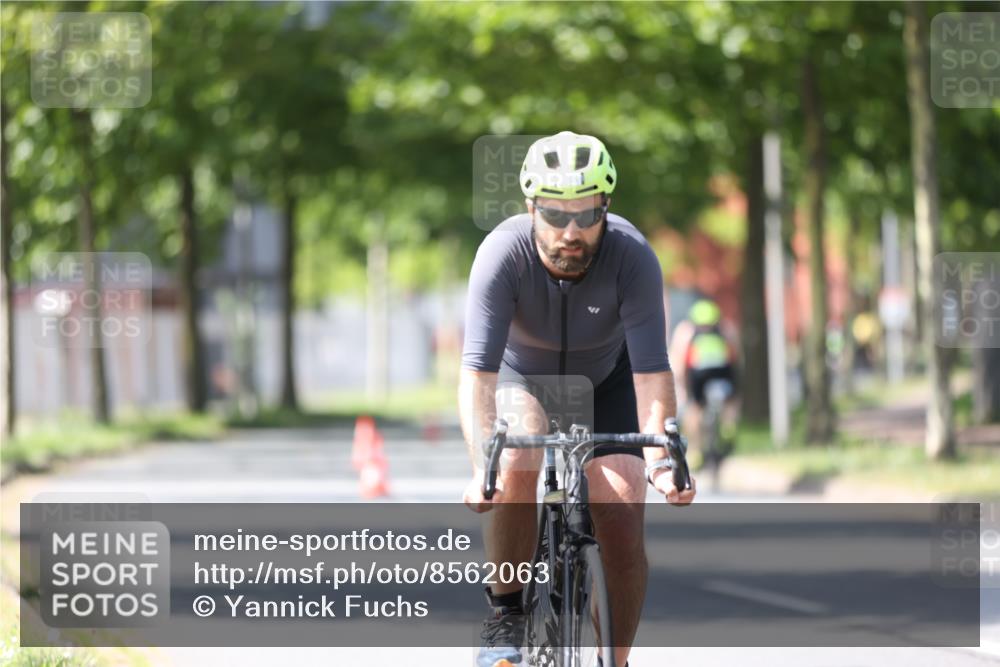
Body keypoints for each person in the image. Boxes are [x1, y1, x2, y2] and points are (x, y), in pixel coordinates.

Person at [460, 131, 696, 667]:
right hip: (525, 380)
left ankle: (615, 658)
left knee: (623, 494)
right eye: (555, 214)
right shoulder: (502, 253)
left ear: (605, 209)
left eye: (587, 215)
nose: (571, 231)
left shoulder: (632, 257)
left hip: (606, 383)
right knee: (516, 456)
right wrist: (482, 467)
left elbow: (652, 373)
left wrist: (661, 463)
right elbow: (477, 375)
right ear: (531, 208)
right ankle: (506, 618)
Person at [668, 298, 739, 465]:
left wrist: (681, 386)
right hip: (723, 372)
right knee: (731, 401)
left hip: (697, 375)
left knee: (694, 409)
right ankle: (729, 428)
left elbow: (678, 362)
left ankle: (695, 450)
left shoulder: (686, 330)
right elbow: (735, 354)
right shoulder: (725, 328)